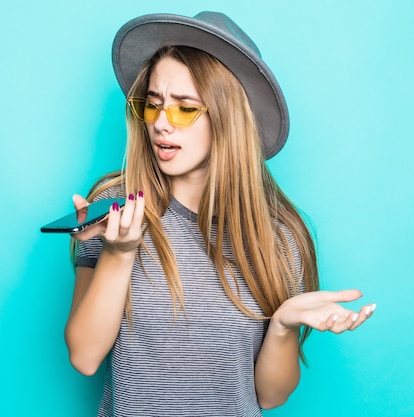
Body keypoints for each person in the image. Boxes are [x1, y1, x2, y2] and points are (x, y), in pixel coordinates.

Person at [63, 11, 376, 416]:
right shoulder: (116, 205)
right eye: (153, 105)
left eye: (184, 108)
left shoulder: (279, 237)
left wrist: (282, 324)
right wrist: (119, 252)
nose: (160, 124)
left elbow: (270, 396)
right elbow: (85, 357)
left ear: (227, 119)